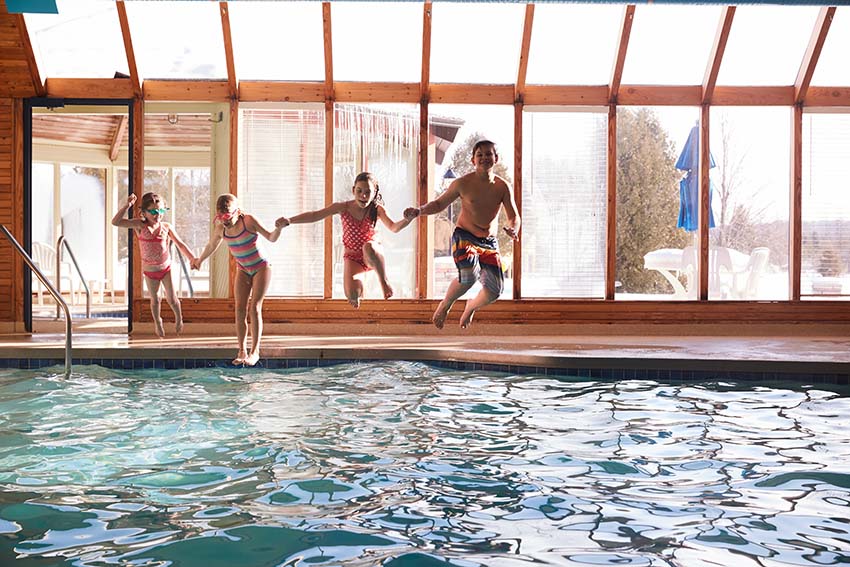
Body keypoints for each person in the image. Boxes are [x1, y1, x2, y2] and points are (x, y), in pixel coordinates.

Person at [404, 140, 520, 329]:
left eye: (488, 154)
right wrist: (419, 211)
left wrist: (513, 228)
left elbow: (513, 216)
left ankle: (470, 306)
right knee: (469, 276)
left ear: (495, 158)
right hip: (465, 236)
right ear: (473, 160)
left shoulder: (502, 186)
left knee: (495, 291)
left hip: (489, 242)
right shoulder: (462, 183)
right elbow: (439, 204)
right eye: (479, 154)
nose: (484, 158)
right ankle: (446, 304)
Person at [275, 171, 414, 308]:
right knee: (352, 296)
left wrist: (407, 220)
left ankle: (384, 281)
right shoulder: (343, 207)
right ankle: (359, 288)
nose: (363, 196)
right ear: (353, 190)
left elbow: (394, 227)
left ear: (375, 192)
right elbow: (315, 215)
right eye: (359, 191)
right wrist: (290, 220)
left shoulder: (377, 209)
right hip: (353, 258)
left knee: (368, 247)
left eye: (368, 192)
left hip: (372, 256)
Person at [190, 194, 283, 366]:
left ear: (237, 212)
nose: (224, 220)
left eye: (227, 216)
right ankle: (242, 350)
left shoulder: (248, 221)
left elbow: (271, 237)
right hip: (243, 269)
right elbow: (211, 245)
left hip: (261, 267)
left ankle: (255, 351)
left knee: (254, 307)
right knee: (239, 309)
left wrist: (279, 228)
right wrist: (200, 260)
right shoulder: (221, 228)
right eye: (220, 216)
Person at [111, 192, 196, 338]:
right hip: (150, 271)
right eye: (153, 211)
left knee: (172, 299)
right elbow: (116, 222)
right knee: (155, 299)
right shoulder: (139, 225)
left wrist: (192, 259)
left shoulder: (166, 227)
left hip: (165, 268)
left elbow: (180, 244)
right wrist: (127, 205)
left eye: (161, 211)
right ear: (143, 212)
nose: (158, 215)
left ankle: (179, 318)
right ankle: (158, 322)